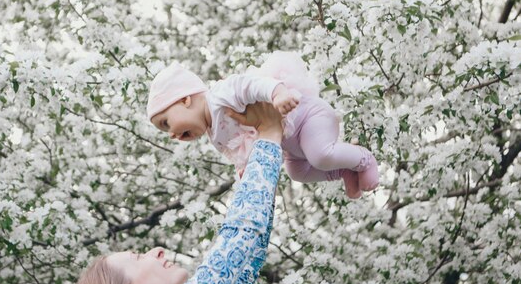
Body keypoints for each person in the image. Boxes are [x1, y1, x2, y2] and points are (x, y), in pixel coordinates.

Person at [59, 102, 284, 284]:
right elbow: (239, 238)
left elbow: (246, 264)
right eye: (138, 257)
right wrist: (268, 136)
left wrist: (259, 171)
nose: (156, 250)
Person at [146, 51, 379, 199]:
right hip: (292, 146)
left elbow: (251, 85)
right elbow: (245, 148)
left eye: (166, 123)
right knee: (296, 172)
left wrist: (277, 94)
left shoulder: (219, 96)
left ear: (185, 99)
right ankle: (344, 170)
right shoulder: (214, 134)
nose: (172, 134)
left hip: (307, 118)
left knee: (319, 155)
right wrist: (246, 168)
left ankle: (364, 158)